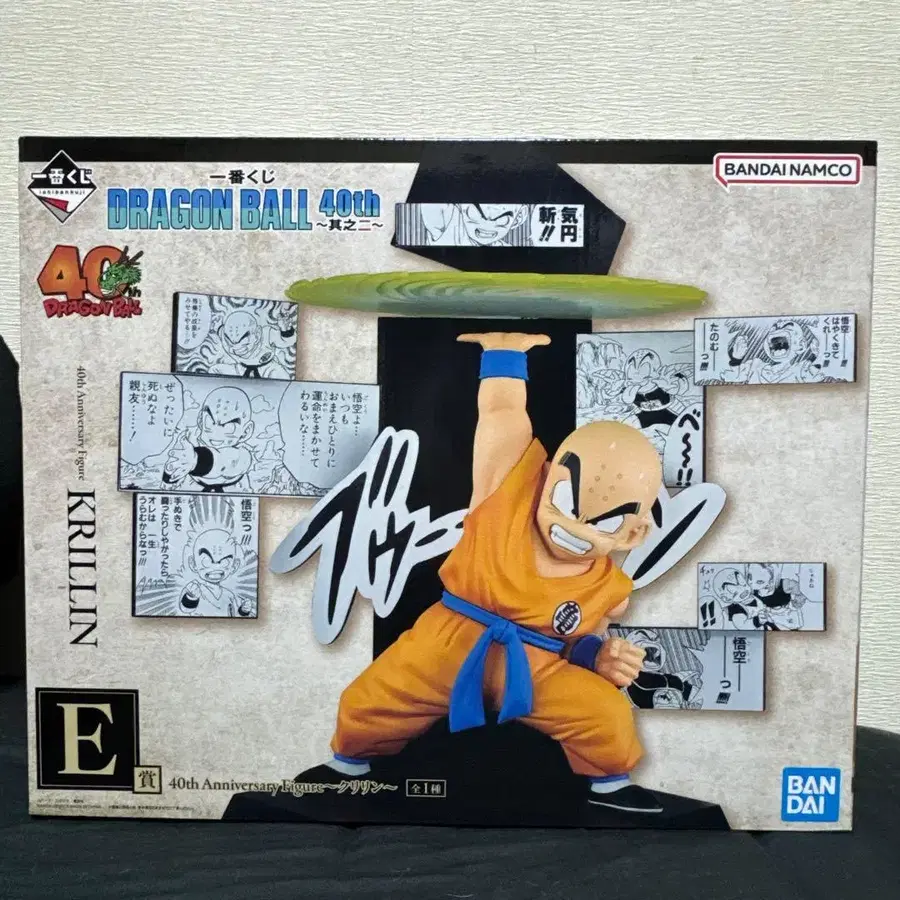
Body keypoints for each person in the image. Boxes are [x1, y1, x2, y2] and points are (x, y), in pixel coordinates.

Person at [304, 331, 666, 814]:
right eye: (563, 502)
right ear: (546, 480)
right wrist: (504, 354)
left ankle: (611, 786)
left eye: (603, 522)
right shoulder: (505, 498)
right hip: (447, 644)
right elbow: (502, 417)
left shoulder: (609, 588)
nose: (572, 528)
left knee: (605, 714)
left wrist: (598, 656)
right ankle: (348, 765)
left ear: (633, 534)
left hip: (538, 668)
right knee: (368, 700)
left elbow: (578, 640)